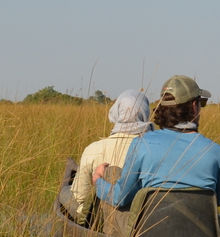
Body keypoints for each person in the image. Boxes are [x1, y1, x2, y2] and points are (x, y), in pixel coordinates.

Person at [93, 75, 220, 220]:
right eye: (202, 103)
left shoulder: (141, 144)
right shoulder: (216, 152)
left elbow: (119, 198)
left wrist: (98, 180)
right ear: (194, 107)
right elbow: (218, 199)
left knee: (110, 174)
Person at [60, 89, 152, 226]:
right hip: (140, 221)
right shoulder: (153, 150)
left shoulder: (94, 149)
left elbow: (81, 197)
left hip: (99, 221)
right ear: (146, 113)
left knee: (64, 192)